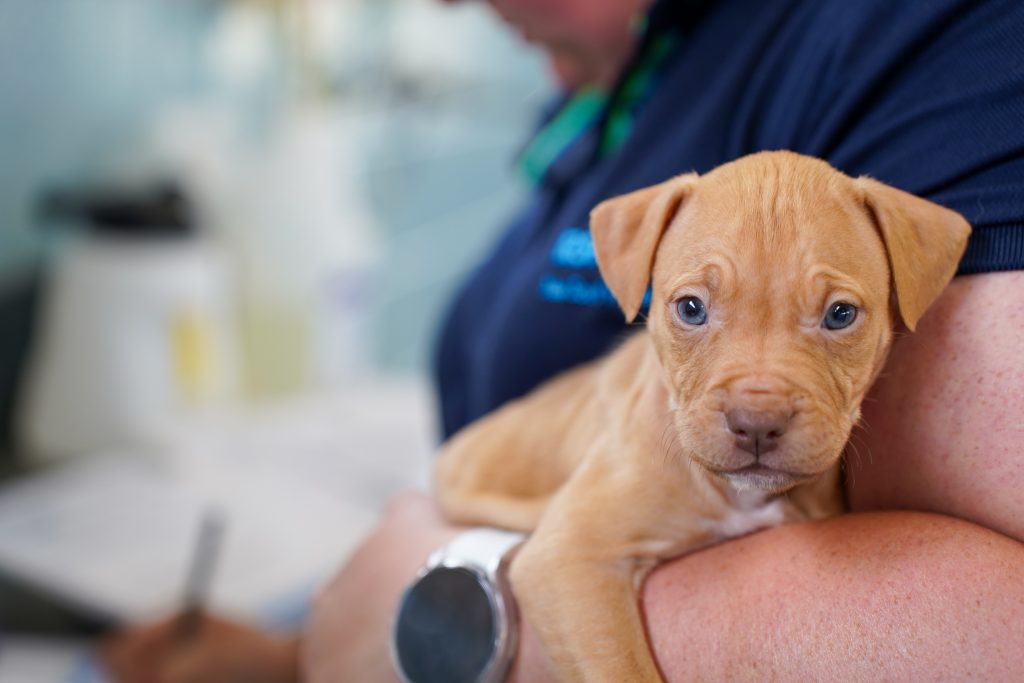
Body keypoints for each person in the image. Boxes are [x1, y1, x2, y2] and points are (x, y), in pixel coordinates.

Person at [104, 0, 1024, 680]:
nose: (454, 7)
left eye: (835, 317)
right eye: (692, 311)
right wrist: (304, 649)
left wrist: (432, 615)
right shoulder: (618, 83)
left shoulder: (926, 44)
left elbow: (983, 628)